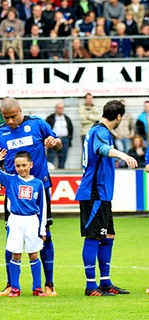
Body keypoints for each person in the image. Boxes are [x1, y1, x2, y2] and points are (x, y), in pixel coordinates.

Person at [0, 97, 62, 297]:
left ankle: (48, 284)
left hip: (39, 189)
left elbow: (59, 144)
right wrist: (0, 178)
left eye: (13, 117)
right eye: (6, 118)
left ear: (20, 111)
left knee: (44, 233)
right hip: (14, 191)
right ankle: (10, 284)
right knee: (11, 236)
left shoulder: (38, 124)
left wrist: (54, 142)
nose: (10, 121)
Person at [75, 100, 137, 296]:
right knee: (93, 236)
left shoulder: (97, 130)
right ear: (118, 117)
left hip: (102, 194)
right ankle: (90, 285)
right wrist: (121, 154)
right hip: (94, 192)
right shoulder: (100, 132)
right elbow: (101, 149)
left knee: (108, 235)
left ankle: (105, 281)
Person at [0, 149, 47, 297]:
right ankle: (15, 288)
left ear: (31, 165)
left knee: (34, 255)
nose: (21, 168)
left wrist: (43, 230)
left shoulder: (38, 183)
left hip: (32, 221)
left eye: (24, 165)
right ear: (14, 166)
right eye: (18, 166)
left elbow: (43, 207)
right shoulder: (10, 180)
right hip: (15, 220)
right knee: (15, 255)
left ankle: (37, 288)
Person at [45, 102, 73, 169]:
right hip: (53, 139)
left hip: (64, 139)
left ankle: (62, 171)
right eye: (59, 108)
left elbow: (70, 129)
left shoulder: (67, 118)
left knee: (63, 158)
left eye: (62, 108)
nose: (61, 109)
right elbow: (46, 128)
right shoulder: (50, 118)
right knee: (51, 157)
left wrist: (69, 139)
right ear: (56, 108)